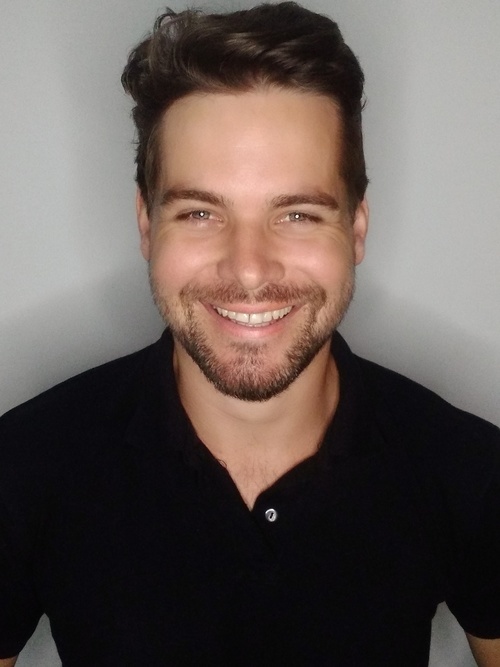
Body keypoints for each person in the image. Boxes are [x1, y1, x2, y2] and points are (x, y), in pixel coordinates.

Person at [0, 2, 499, 665]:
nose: (249, 269)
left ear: (356, 228)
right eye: (200, 212)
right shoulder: (21, 467)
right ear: (147, 225)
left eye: (297, 214)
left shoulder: (471, 472)